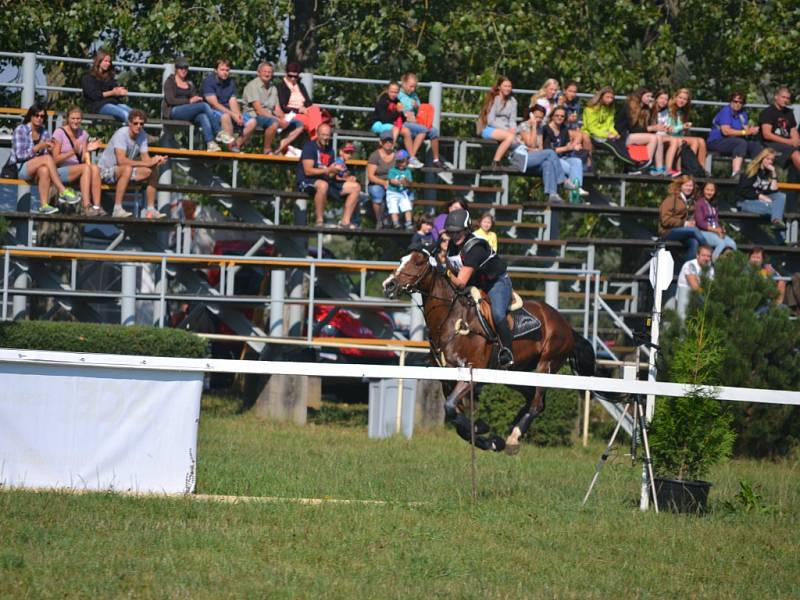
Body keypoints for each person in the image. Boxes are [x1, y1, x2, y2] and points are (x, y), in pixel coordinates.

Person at [444, 208, 514, 368]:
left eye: (457, 232)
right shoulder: (452, 244)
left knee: (497, 315)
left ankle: (507, 352)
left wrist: (446, 272)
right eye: (451, 232)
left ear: (466, 229)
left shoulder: (475, 248)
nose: (454, 236)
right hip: (475, 282)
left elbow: (460, 282)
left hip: (496, 283)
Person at [9, 103, 80, 214]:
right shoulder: (21, 130)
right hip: (20, 167)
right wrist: (38, 147)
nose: (39, 118)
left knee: (45, 169)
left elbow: (47, 158)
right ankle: (62, 190)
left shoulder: (44, 132)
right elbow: (19, 156)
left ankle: (44, 205)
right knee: (46, 159)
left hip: (37, 169)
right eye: (36, 115)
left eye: (42, 116)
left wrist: (50, 150)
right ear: (31, 116)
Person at [97, 109, 168, 219]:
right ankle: (117, 209)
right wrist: (147, 163)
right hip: (104, 171)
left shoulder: (142, 135)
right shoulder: (121, 134)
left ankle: (150, 210)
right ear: (129, 123)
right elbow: (121, 161)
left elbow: (146, 159)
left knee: (152, 170)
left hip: (124, 171)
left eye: (141, 124)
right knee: (127, 169)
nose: (138, 126)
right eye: (135, 123)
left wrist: (155, 162)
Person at [295, 122, 359, 228]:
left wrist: (344, 176)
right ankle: (319, 221)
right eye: (323, 134)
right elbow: (308, 171)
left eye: (327, 135)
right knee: (322, 185)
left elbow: (330, 174)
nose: (325, 137)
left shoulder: (330, 150)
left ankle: (345, 222)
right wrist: (329, 170)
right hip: (307, 181)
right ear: (317, 134)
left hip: (326, 181)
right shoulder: (309, 147)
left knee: (355, 187)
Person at [242, 61, 304, 155]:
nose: (267, 74)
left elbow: (277, 108)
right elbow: (259, 110)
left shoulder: (273, 88)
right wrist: (278, 120)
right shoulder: (252, 86)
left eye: (269, 72)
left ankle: (278, 148)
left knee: (299, 125)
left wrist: (283, 118)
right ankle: (267, 149)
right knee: (274, 123)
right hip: (254, 116)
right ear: (259, 73)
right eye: (265, 71)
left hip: (270, 116)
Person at [52, 106, 104, 215]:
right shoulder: (59, 133)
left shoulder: (83, 134)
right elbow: (55, 159)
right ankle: (86, 206)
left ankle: (97, 206)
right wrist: (72, 152)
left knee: (95, 168)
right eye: (73, 118)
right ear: (68, 119)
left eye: (78, 119)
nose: (76, 121)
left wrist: (88, 149)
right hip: (60, 170)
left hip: (78, 168)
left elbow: (83, 157)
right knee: (86, 168)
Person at [162, 56, 221, 152]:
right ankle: (218, 131)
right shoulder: (169, 82)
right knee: (204, 106)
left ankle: (210, 142)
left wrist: (197, 99)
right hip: (174, 111)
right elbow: (170, 100)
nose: (184, 70)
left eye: (186, 68)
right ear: (176, 69)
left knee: (202, 116)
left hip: (187, 111)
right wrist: (189, 101)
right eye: (181, 68)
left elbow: (194, 97)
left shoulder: (189, 84)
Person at [512, 104, 568, 202]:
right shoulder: (523, 126)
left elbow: (540, 147)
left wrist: (536, 149)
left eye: (541, 118)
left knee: (548, 163)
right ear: (531, 115)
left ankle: (552, 194)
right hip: (522, 159)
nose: (538, 119)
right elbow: (531, 144)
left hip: (533, 158)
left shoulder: (540, 128)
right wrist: (533, 126)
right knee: (550, 152)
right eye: (536, 117)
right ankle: (563, 180)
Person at [200, 58, 256, 152]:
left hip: (227, 110)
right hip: (212, 111)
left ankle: (236, 145)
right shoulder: (208, 81)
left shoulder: (230, 82)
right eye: (222, 70)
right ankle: (230, 147)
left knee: (252, 122)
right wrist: (232, 114)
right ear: (215, 70)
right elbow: (214, 104)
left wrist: (237, 115)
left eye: (227, 70)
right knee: (226, 117)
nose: (225, 72)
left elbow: (232, 101)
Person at [397, 72, 447, 169]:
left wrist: (417, 106)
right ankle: (412, 158)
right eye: (411, 86)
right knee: (423, 129)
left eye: (414, 87)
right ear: (404, 83)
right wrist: (405, 113)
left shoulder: (414, 95)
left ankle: (436, 159)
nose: (413, 89)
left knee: (434, 131)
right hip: (404, 122)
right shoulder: (399, 95)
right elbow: (396, 108)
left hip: (414, 122)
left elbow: (419, 109)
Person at [707, 91, 762, 177]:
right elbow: (726, 131)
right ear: (730, 101)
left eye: (741, 102)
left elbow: (746, 129)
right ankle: (736, 173)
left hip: (733, 141)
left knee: (755, 145)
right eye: (735, 101)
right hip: (717, 141)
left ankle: (756, 173)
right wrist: (745, 132)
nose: (738, 104)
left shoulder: (742, 114)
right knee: (740, 142)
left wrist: (752, 130)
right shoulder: (726, 111)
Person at [737, 147, 787, 243]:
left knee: (781, 197)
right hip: (745, 202)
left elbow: (774, 191)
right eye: (767, 159)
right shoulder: (751, 171)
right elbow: (743, 191)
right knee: (775, 208)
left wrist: (774, 173)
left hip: (761, 203)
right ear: (762, 158)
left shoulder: (767, 173)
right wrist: (760, 196)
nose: (770, 162)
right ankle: (781, 239)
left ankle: (777, 224)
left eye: (772, 160)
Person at [583, 86, 639, 169]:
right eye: (607, 97)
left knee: (620, 142)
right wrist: (606, 135)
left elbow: (610, 125)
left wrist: (615, 134)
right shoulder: (591, 109)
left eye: (612, 98)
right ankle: (632, 162)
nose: (610, 100)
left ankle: (631, 164)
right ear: (601, 97)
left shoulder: (610, 109)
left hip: (606, 134)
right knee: (612, 146)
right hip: (594, 135)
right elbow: (591, 128)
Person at [367, 82, 419, 165]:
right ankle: (391, 149)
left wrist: (404, 114)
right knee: (395, 128)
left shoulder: (397, 101)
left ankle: (412, 157)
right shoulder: (382, 101)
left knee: (406, 131)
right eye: (391, 92)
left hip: (390, 124)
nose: (394, 94)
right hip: (377, 123)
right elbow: (384, 119)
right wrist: (397, 112)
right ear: (387, 90)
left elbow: (401, 118)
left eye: (396, 92)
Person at [615, 88, 666, 174]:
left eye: (651, 96)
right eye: (647, 96)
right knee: (653, 138)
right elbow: (632, 129)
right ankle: (643, 163)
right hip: (623, 137)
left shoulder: (646, 109)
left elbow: (647, 128)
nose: (650, 98)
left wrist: (653, 113)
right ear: (640, 96)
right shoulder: (630, 107)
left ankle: (659, 168)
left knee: (659, 137)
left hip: (635, 136)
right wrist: (650, 128)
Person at [658, 176, 706, 263]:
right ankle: (708, 250)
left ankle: (688, 269)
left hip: (683, 233)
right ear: (680, 186)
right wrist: (685, 224)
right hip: (668, 232)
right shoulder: (672, 199)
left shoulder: (691, 200)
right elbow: (665, 220)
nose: (689, 188)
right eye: (686, 185)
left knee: (694, 242)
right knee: (694, 231)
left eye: (691, 186)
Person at [543, 105, 588, 195]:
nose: (559, 117)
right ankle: (575, 190)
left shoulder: (564, 129)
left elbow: (567, 145)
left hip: (563, 157)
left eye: (562, 116)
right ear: (552, 116)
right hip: (552, 159)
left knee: (577, 161)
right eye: (557, 115)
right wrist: (567, 148)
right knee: (571, 169)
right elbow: (548, 151)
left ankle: (577, 188)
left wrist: (574, 146)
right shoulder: (546, 129)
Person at [81, 49, 131, 122]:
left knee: (135, 115)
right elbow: (93, 95)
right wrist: (112, 92)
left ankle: (142, 133)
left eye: (109, 62)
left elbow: (115, 91)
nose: (108, 64)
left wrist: (120, 92)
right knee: (125, 114)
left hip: (115, 103)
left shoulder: (110, 77)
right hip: (99, 106)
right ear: (99, 61)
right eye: (105, 61)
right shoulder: (88, 78)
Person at [477, 77, 518, 168]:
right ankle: (496, 161)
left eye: (509, 86)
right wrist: (507, 130)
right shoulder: (494, 99)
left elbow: (512, 120)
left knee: (517, 137)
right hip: (488, 128)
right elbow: (490, 121)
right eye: (505, 86)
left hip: (505, 129)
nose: (508, 88)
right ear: (499, 87)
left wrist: (513, 129)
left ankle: (516, 162)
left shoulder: (513, 101)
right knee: (510, 137)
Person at [758, 87, 800, 172]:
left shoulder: (789, 112)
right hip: (771, 144)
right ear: (776, 97)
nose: (785, 100)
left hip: (786, 144)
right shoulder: (768, 112)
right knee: (795, 154)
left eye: (787, 98)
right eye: (783, 97)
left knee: (795, 150)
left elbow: (793, 130)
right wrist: (789, 142)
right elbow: (767, 135)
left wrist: (796, 140)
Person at [665, 88, 708, 172]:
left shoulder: (681, 112)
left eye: (684, 99)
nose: (682, 101)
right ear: (675, 97)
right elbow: (669, 130)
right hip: (670, 137)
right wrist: (682, 127)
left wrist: (684, 128)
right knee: (694, 141)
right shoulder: (669, 110)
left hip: (679, 137)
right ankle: (689, 167)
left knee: (701, 141)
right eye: (680, 97)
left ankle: (701, 168)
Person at [694, 182, 737, 260]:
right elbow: (700, 223)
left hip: (714, 231)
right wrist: (716, 230)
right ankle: (713, 263)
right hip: (703, 231)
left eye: (712, 190)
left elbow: (716, 221)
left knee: (732, 243)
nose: (709, 192)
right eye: (707, 189)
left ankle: (728, 264)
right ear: (703, 190)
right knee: (721, 243)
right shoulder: (700, 203)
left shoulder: (714, 204)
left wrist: (720, 230)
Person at [556, 81, 593, 169]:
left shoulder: (576, 102)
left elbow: (575, 119)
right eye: (570, 91)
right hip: (561, 127)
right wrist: (568, 120)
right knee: (578, 135)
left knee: (586, 137)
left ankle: (588, 163)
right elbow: (557, 118)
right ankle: (573, 159)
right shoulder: (560, 100)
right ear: (565, 90)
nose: (572, 94)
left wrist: (575, 124)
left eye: (574, 92)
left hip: (571, 127)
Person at [366, 130, 396, 229]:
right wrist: (384, 183)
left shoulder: (397, 156)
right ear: (380, 142)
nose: (388, 143)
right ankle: (379, 220)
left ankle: (399, 222)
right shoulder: (375, 156)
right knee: (377, 193)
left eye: (390, 141)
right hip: (377, 182)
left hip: (393, 182)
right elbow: (370, 176)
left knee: (406, 195)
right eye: (385, 141)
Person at [276, 62, 318, 132]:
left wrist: (308, 109)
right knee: (311, 121)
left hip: (304, 112)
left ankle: (316, 136)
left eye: (295, 77)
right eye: (290, 76)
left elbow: (308, 102)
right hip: (290, 114)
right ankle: (316, 138)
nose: (293, 79)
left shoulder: (300, 86)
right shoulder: (281, 87)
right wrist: (298, 110)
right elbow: (283, 106)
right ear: (286, 74)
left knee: (315, 110)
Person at [677, 244, 714, 317]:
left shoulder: (710, 268)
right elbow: (695, 287)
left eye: (708, 256)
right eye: (703, 255)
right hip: (685, 301)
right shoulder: (690, 265)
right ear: (697, 255)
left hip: (700, 300)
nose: (706, 258)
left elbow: (711, 286)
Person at [652, 89, 683, 176]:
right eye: (661, 98)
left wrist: (668, 128)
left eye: (666, 99)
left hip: (663, 134)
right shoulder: (651, 109)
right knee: (674, 140)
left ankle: (672, 169)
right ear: (656, 99)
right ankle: (668, 168)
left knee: (677, 140)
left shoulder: (666, 112)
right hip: (654, 135)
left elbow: (667, 126)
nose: (664, 101)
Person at [386, 150, 415, 230]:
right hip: (392, 192)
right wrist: (399, 182)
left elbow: (409, 183)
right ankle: (396, 223)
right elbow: (391, 180)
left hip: (403, 192)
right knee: (393, 208)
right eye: (399, 161)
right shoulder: (393, 170)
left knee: (407, 207)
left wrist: (407, 182)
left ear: (407, 161)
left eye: (403, 161)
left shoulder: (407, 171)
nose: (401, 164)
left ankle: (408, 223)